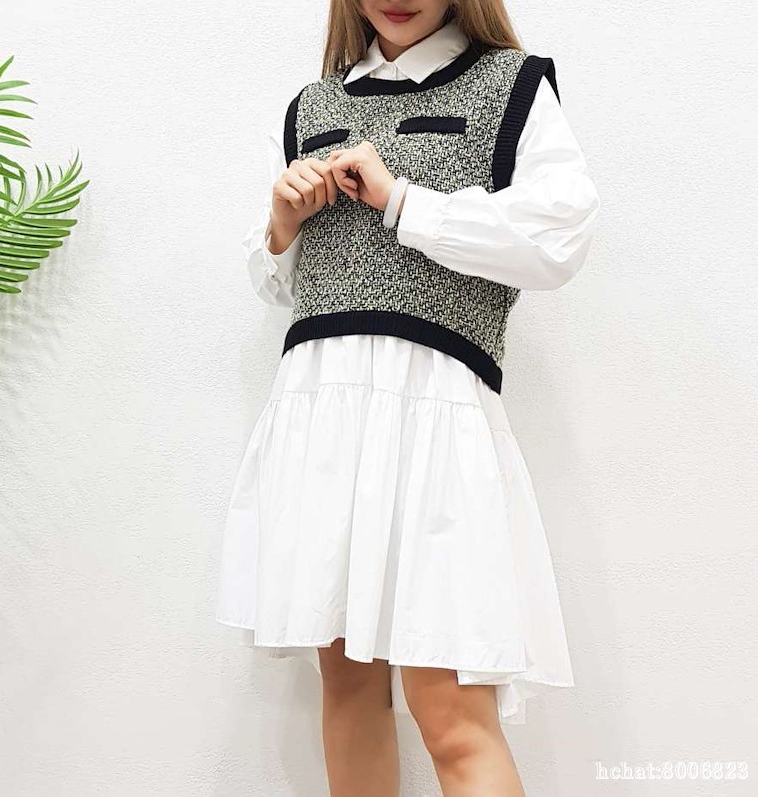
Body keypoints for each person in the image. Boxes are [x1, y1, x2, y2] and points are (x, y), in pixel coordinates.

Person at [215, 1, 601, 794]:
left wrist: (402, 201)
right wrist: (282, 225)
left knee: (452, 713)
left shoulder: (510, 85)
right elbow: (284, 285)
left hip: (437, 416)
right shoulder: (313, 106)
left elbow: (560, 235)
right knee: (348, 689)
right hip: (322, 417)